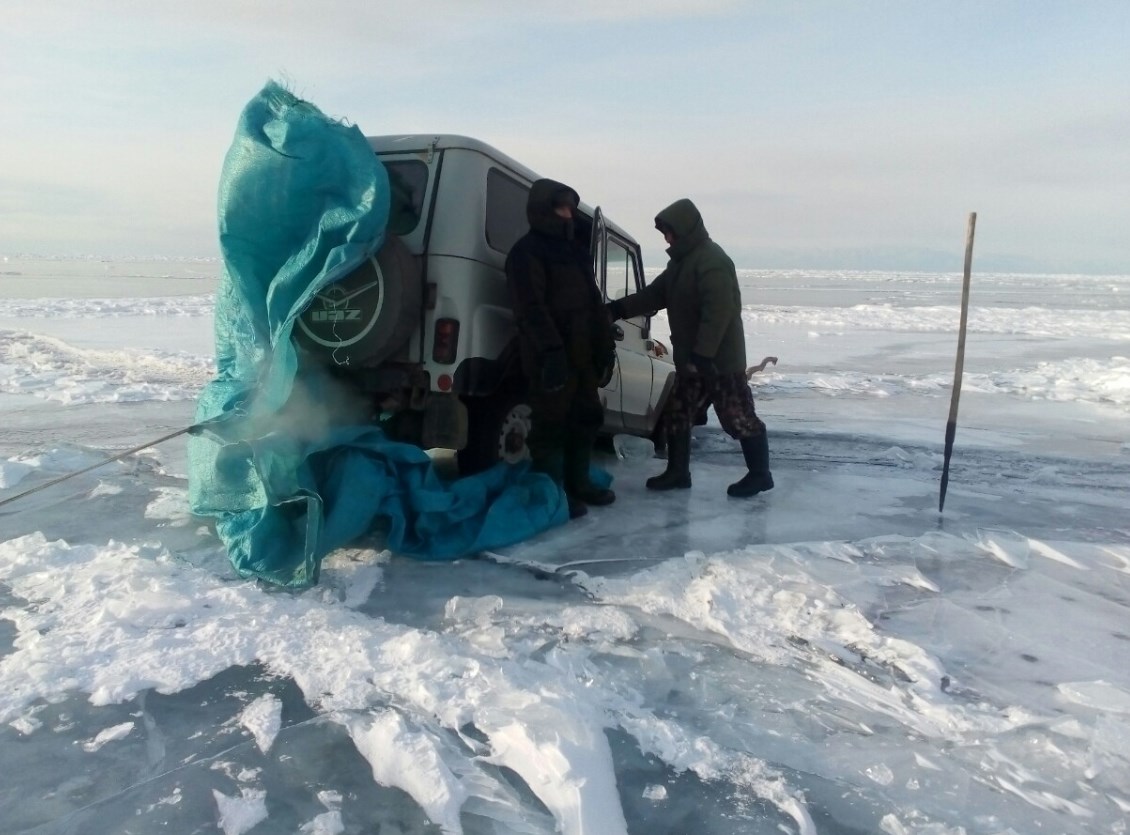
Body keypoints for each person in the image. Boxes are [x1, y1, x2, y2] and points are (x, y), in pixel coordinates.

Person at [606, 198, 773, 498]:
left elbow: (718, 313)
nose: (667, 238)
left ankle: (760, 474)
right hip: (693, 362)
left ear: (686, 229)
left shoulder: (713, 261)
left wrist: (703, 355)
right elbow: (654, 296)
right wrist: (617, 308)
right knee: (677, 415)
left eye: (670, 232)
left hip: (719, 363)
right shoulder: (679, 265)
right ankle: (678, 472)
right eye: (664, 233)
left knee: (738, 418)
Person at [505, 178, 617, 518]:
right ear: (542, 209)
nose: (568, 214)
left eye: (571, 207)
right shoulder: (525, 253)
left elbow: (594, 305)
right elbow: (530, 308)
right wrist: (551, 352)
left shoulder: (576, 252)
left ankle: (578, 484)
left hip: (582, 358)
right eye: (560, 207)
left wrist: (604, 348)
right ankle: (552, 496)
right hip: (549, 358)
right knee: (550, 427)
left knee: (586, 419)